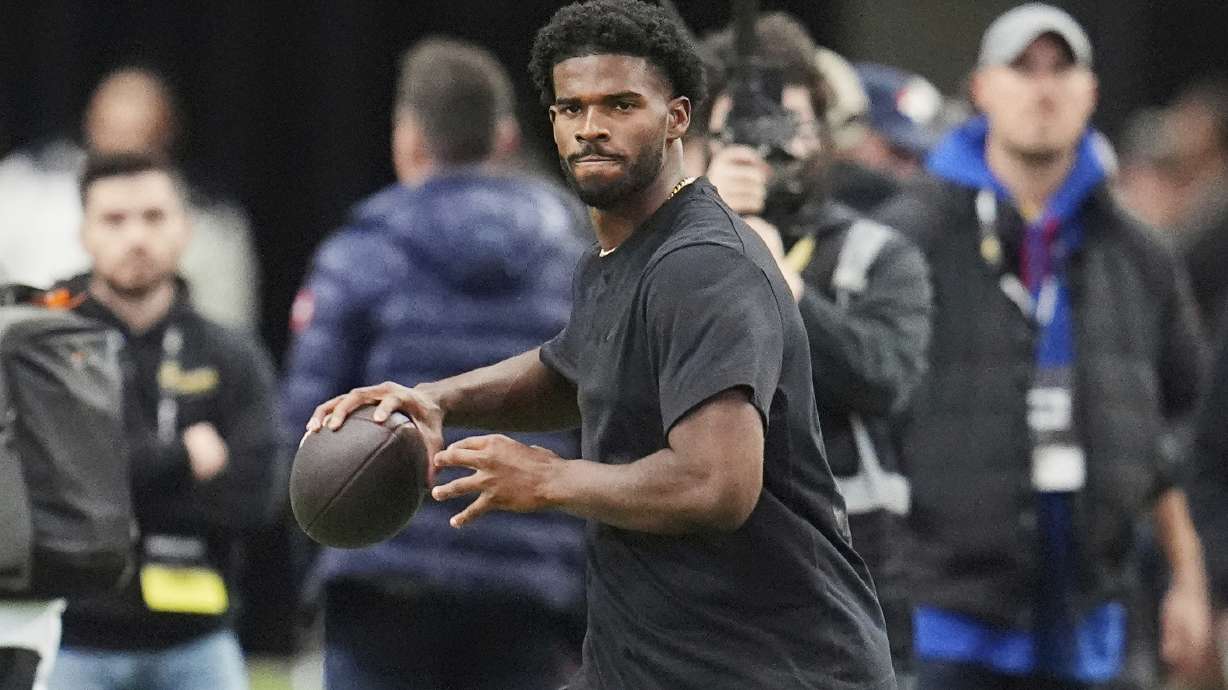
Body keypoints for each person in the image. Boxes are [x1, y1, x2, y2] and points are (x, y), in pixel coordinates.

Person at [307, 1, 896, 688]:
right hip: (660, 660)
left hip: (770, 666)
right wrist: (436, 397)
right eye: (571, 108)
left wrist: (546, 478)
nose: (591, 128)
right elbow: (570, 371)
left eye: (620, 105)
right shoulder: (621, 254)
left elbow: (717, 483)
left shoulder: (704, 263)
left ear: (677, 117)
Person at [876, 4, 1212, 688]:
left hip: (1098, 615)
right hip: (944, 615)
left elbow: (1179, 413)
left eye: (1062, 68)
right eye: (1022, 67)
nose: (1043, 86)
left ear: (1091, 91)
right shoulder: (910, 237)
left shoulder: (1137, 250)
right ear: (980, 89)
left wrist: (1186, 573)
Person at [281, 37, 588, 690]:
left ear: (410, 139)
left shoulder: (361, 251)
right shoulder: (578, 257)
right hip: (532, 581)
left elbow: (304, 425)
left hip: (383, 578)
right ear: (506, 138)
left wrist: (317, 553)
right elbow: (609, 416)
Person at [697, 12, 932, 682]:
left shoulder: (879, 254)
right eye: (739, 130)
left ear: (825, 132)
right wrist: (707, 237)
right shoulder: (670, 255)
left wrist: (783, 286)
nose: (772, 149)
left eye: (790, 124)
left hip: (848, 593)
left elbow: (885, 379)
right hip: (709, 594)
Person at [46, 152, 280, 690]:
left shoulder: (231, 354)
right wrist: (184, 460)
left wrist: (126, 480)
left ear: (185, 229)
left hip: (199, 638)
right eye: (114, 219)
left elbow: (258, 497)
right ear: (83, 232)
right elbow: (58, 489)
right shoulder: (49, 345)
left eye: (154, 217)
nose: (136, 237)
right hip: (73, 635)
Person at [0, 66, 261, 331]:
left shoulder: (213, 226)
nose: (133, 237)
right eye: (113, 220)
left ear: (166, 138)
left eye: (139, 141)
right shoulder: (24, 191)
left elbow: (230, 328)